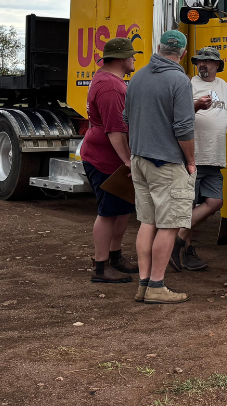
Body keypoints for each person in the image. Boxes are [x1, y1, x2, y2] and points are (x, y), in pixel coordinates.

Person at [123, 29, 197, 304]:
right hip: (166, 161)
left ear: (158, 47)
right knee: (169, 225)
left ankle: (143, 284)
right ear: (183, 53)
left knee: (147, 222)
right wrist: (190, 160)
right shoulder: (179, 80)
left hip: (140, 159)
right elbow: (183, 127)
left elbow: (126, 119)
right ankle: (157, 285)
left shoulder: (138, 77)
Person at [172, 47, 227, 272]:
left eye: (208, 61)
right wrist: (196, 105)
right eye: (200, 61)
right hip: (192, 156)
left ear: (217, 65)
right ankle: (186, 252)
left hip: (216, 157)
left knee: (215, 202)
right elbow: (177, 114)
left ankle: (176, 241)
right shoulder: (187, 85)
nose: (203, 64)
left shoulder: (222, 86)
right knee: (188, 205)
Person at [80, 37, 141, 283]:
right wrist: (128, 161)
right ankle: (101, 266)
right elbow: (115, 130)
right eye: (131, 55)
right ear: (121, 59)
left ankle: (115, 257)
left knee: (121, 209)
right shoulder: (111, 87)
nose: (134, 59)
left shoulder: (107, 80)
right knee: (107, 212)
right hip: (105, 159)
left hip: (108, 157)